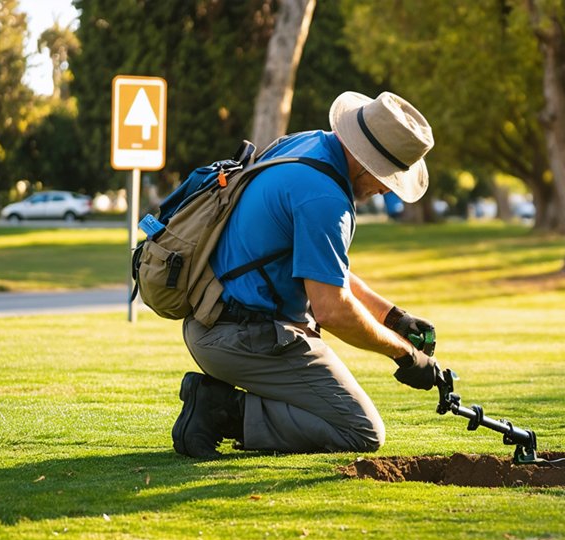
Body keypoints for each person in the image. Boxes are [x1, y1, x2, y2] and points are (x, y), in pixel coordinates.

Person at [172, 91, 443, 459]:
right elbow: (331, 309)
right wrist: (405, 355)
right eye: (387, 179)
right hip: (242, 338)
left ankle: (220, 405)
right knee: (360, 430)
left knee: (332, 409)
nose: (384, 189)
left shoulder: (307, 146)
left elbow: (327, 270)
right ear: (366, 162)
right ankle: (218, 411)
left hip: (212, 321)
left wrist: (394, 317)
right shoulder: (325, 198)